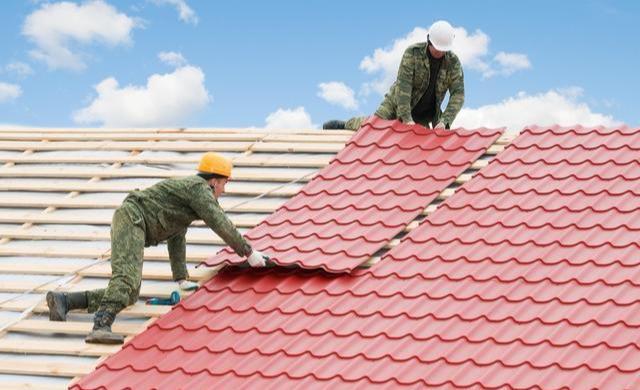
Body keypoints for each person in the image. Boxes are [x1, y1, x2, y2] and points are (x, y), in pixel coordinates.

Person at [46, 152, 269, 344]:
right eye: (224, 183)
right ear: (213, 181)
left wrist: (181, 277)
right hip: (132, 219)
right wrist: (248, 252)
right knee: (126, 280)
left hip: (132, 221)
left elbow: (177, 235)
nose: (224, 190)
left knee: (130, 294)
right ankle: (100, 327)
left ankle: (65, 301)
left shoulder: (187, 201)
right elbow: (219, 222)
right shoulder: (198, 190)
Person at [323, 20, 464, 131]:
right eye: (436, 48)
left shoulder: (453, 62)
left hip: (426, 113)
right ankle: (346, 124)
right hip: (397, 102)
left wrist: (445, 120)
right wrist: (406, 118)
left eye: (443, 50)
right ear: (429, 41)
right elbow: (404, 86)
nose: (439, 53)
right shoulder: (412, 53)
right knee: (374, 127)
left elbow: (458, 94)